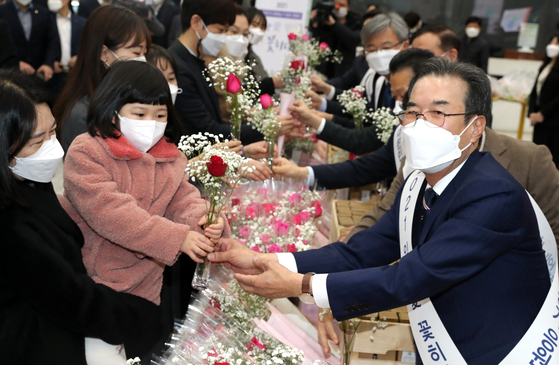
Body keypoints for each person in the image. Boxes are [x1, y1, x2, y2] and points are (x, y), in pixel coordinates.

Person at [210, 58, 551, 365]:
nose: (420, 125)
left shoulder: (492, 192)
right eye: (413, 112)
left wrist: (301, 285)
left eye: (438, 113)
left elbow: (409, 276)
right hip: (446, 346)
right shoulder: (421, 181)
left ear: (476, 127)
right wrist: (261, 259)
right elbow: (360, 253)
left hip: (500, 351)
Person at [60, 61, 227, 361]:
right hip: (94, 286)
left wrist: (204, 223)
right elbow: (113, 213)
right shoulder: (87, 151)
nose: (151, 123)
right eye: (139, 113)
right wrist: (178, 239)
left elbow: (184, 200)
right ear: (113, 110)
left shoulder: (170, 158)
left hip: (146, 292)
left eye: (160, 115)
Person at [0, 69, 166, 364]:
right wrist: (141, 314)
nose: (53, 148)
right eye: (37, 143)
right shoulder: (9, 223)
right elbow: (69, 297)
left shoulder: (26, 182)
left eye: (53, 132)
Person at [274, 49, 435, 186]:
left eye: (403, 95)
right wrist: (301, 173)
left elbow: (361, 140)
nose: (400, 102)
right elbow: (365, 168)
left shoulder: (443, 139)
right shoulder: (401, 127)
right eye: (396, 96)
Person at [54, 4, 150, 152]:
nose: (143, 60)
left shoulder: (127, 95)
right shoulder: (82, 113)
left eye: (145, 53)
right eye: (136, 53)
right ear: (104, 53)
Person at [168, 0, 264, 145]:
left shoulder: (198, 60)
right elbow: (206, 129)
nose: (224, 38)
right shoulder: (177, 67)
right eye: (220, 30)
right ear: (196, 22)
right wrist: (265, 128)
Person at [309, 12, 408, 122]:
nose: (379, 55)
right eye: (372, 49)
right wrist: (323, 103)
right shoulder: (377, 78)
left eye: (386, 48)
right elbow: (366, 116)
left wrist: (322, 122)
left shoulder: (413, 85)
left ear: (405, 46)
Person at [0, 0, 61, 82]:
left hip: (40, 74)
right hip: (10, 75)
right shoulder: (2, 11)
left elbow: (53, 40)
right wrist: (15, 63)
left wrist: (48, 64)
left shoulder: (44, 12)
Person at [528, 33, 559, 167]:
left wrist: (543, 114)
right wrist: (531, 112)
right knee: (538, 157)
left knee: (551, 160)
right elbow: (535, 91)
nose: (552, 46)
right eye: (551, 43)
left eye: (556, 44)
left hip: (553, 121)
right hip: (539, 120)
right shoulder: (545, 66)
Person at [309, 0, 362, 78]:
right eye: (337, 4)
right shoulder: (325, 18)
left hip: (344, 70)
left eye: (342, 5)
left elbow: (353, 40)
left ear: (348, 7)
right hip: (323, 70)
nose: (339, 7)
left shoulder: (356, 21)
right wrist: (314, 24)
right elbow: (315, 41)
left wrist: (334, 24)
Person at [47, 0, 86, 98]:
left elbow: (88, 46)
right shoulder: (46, 21)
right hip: (53, 76)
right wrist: (50, 63)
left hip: (76, 75)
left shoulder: (82, 22)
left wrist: (79, 58)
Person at [245, 6, 268, 80]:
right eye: (254, 25)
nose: (258, 30)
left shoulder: (255, 58)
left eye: (262, 28)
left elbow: (264, 78)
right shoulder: (232, 54)